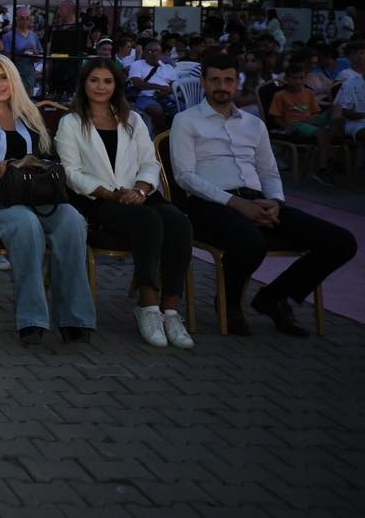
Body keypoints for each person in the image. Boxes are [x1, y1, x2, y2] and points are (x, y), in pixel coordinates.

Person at [171, 55, 358, 337]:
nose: (221, 86)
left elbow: (269, 171)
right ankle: (229, 303)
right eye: (214, 80)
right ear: (203, 83)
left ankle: (274, 297)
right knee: (251, 243)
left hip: (258, 201)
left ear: (237, 82)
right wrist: (237, 204)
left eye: (228, 80)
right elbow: (185, 176)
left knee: (341, 241)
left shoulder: (253, 124)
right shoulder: (186, 120)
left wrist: (275, 202)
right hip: (208, 203)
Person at [0, 53, 96, 345]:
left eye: (4, 77)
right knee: (26, 224)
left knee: (73, 221)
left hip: (32, 193)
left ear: (14, 80)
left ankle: (74, 317)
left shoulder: (28, 114)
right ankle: (32, 318)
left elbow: (49, 154)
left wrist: (39, 164)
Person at [55, 58, 194, 349]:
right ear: (84, 84)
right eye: (94, 80)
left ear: (117, 85)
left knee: (178, 221)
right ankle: (148, 304)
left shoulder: (133, 120)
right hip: (98, 199)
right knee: (147, 220)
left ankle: (171, 310)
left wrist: (140, 190)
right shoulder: (71, 122)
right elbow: (71, 173)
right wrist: (112, 194)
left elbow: (150, 163)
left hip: (139, 193)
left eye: (107, 81)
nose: (101, 87)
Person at [269, 61, 345, 186]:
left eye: (301, 78)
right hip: (296, 124)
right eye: (294, 78)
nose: (298, 81)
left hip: (310, 120)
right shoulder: (280, 95)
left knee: (337, 107)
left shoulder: (308, 93)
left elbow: (315, 112)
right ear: (287, 79)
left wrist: (313, 119)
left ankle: (334, 134)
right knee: (323, 133)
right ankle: (322, 168)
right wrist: (285, 127)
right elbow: (275, 117)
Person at [128, 40, 178, 132]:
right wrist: (161, 87)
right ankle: (163, 137)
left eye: (156, 51)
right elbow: (138, 83)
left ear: (161, 53)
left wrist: (166, 92)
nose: (153, 54)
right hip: (144, 97)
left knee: (183, 110)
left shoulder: (168, 68)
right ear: (144, 53)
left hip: (166, 97)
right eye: (150, 51)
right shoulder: (138, 64)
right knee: (156, 110)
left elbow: (174, 86)